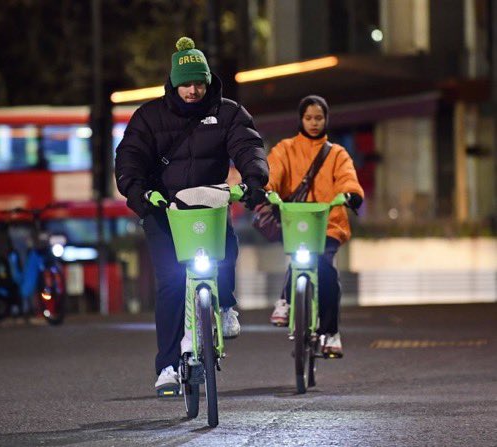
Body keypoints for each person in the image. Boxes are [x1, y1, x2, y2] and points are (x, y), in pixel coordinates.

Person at [115, 37, 268, 395]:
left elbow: (248, 148)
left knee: (227, 250)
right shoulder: (148, 117)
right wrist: (138, 193)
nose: (193, 90)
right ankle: (167, 366)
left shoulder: (229, 112)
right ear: (173, 83)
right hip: (163, 209)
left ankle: (225, 304)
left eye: (199, 82)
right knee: (170, 283)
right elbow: (129, 159)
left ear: (208, 80)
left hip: (209, 203)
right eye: (186, 83)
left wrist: (254, 181)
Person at [266, 95, 363, 359]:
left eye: (318, 118)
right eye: (308, 117)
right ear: (300, 119)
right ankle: (286, 300)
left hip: (328, 224)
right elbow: (272, 173)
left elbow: (347, 179)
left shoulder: (336, 153)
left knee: (326, 269)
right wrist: (267, 190)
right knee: (301, 258)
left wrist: (350, 194)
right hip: (297, 222)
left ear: (326, 119)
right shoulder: (285, 149)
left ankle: (331, 332)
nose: (313, 123)